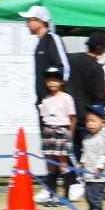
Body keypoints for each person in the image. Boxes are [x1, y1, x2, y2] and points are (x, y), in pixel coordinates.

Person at [67, 34, 105, 178]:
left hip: (69, 115)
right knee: (90, 151)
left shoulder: (72, 59)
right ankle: (87, 181)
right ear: (99, 47)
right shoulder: (97, 68)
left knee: (71, 151)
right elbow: (99, 97)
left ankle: (72, 181)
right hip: (88, 118)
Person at [38, 70, 75, 200]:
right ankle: (52, 195)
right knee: (50, 163)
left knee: (63, 163)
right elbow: (43, 117)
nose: (51, 83)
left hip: (62, 130)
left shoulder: (66, 97)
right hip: (48, 130)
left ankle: (65, 195)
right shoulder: (46, 99)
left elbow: (72, 117)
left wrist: (70, 133)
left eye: (54, 80)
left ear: (61, 82)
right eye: (49, 80)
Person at [24, 4, 71, 99]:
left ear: (40, 21)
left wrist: (57, 96)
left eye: (29, 20)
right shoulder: (40, 43)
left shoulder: (52, 39)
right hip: (43, 102)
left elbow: (65, 68)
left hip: (54, 103)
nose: (26, 24)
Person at [76, 105, 105, 210]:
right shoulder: (87, 138)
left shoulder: (103, 138)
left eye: (93, 121)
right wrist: (81, 164)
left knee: (96, 192)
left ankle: (97, 209)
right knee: (88, 192)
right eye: (88, 121)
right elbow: (84, 152)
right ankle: (92, 209)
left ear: (103, 122)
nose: (90, 124)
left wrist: (99, 167)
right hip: (88, 171)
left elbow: (104, 154)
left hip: (99, 173)